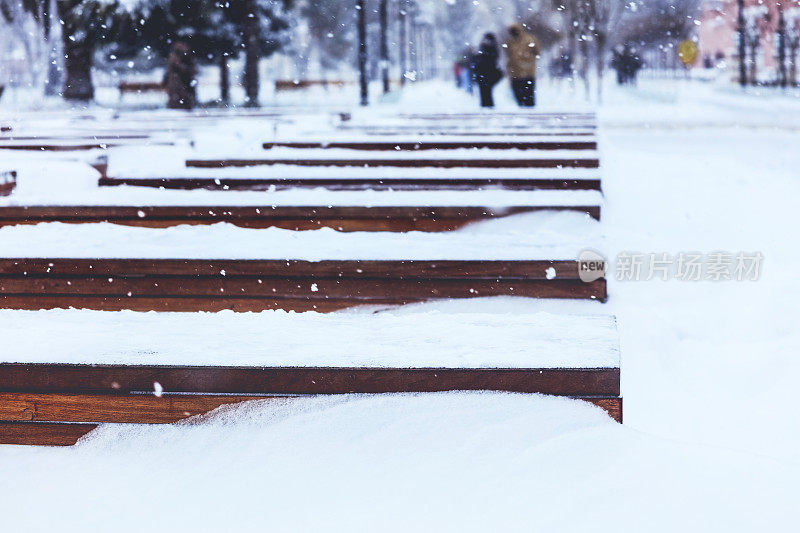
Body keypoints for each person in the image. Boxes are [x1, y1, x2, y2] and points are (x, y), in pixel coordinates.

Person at [504, 23, 539, 107]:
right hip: (516, 73)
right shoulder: (510, 42)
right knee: (519, 97)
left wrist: (527, 59)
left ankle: (529, 115)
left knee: (528, 98)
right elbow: (509, 55)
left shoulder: (529, 39)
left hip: (527, 72)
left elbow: (537, 51)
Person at [473, 33, 501, 108]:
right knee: (484, 92)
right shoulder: (482, 48)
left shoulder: (491, 49)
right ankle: (486, 105)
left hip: (488, 74)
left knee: (487, 92)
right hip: (483, 74)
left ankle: (488, 106)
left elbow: (492, 59)